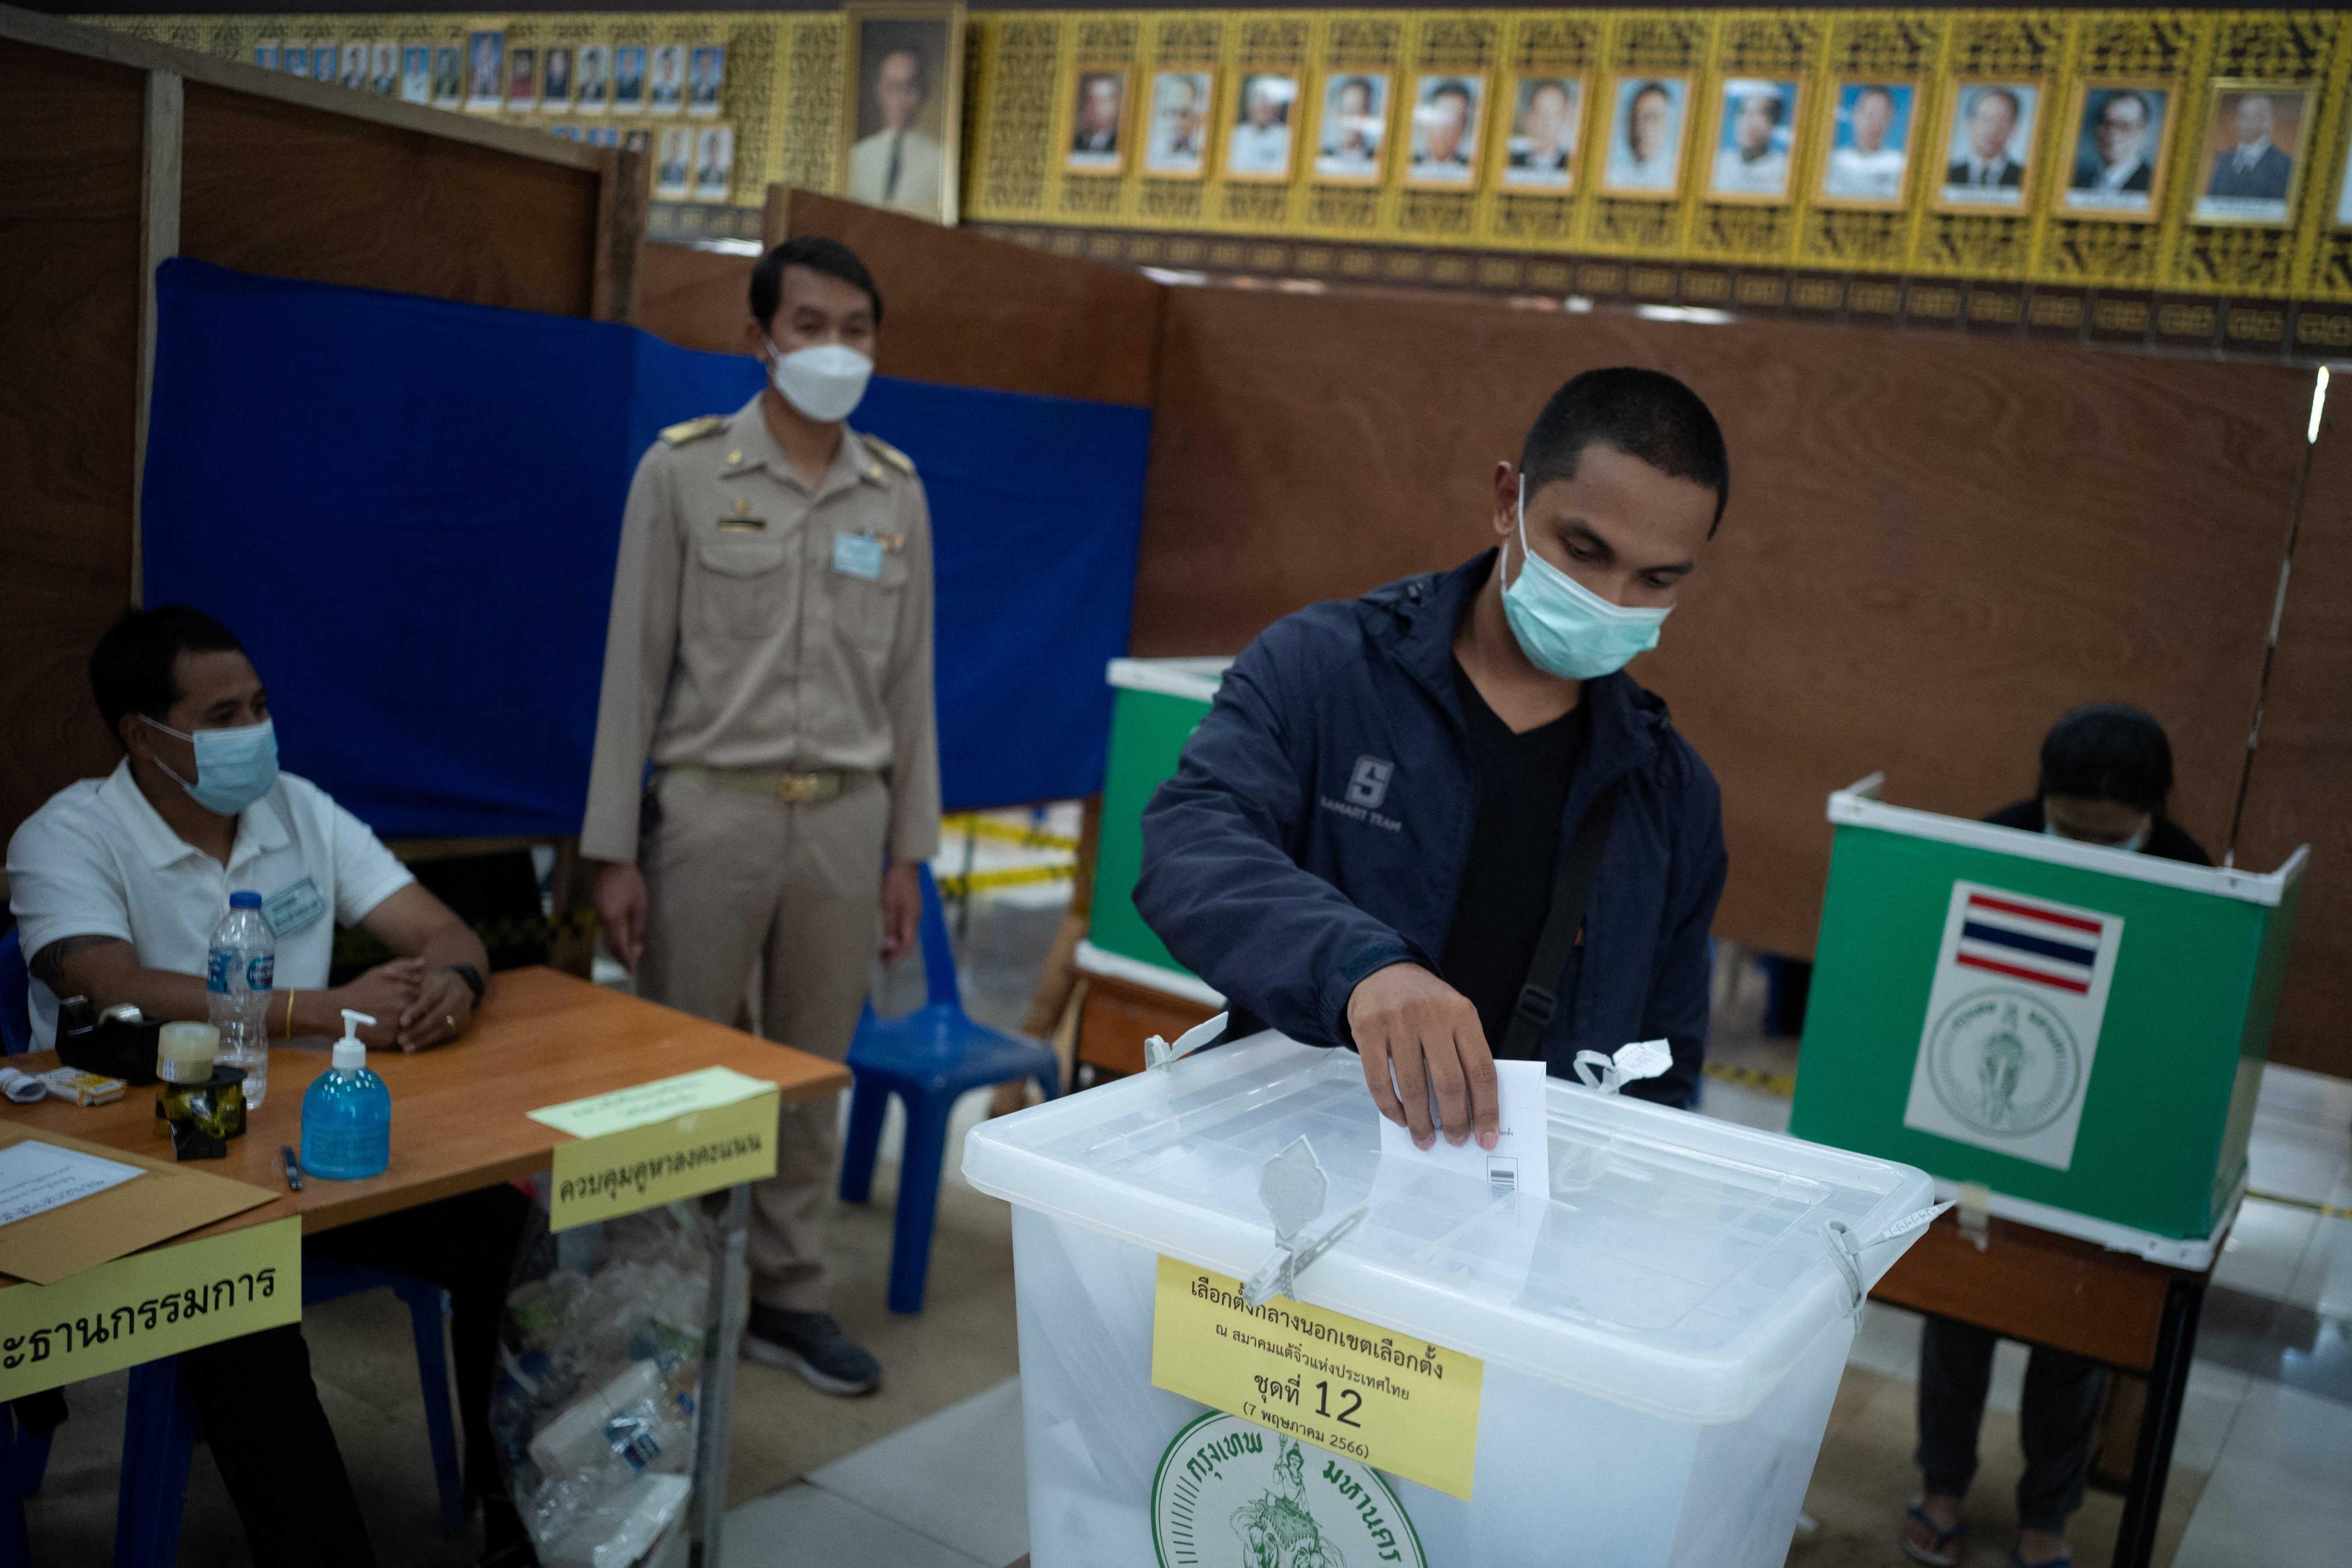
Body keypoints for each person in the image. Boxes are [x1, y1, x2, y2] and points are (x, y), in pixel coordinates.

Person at [5, 605, 532, 1567]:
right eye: (222, 715)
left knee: (502, 1230)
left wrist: (453, 988)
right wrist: (324, 1009)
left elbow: (445, 932)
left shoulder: (298, 808)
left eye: (259, 705)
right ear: (141, 734)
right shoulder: (67, 834)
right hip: (155, 1163)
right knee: (243, 1315)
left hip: (307, 1151)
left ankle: (519, 1517)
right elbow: (112, 983)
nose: (254, 731)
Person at [1135, 369, 1730, 1148]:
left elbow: (1662, 1075)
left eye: (1655, 580)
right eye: (1583, 551)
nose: (1611, 601)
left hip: (1519, 1228)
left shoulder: (1670, 797)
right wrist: (1361, 968)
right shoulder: (1326, 672)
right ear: (1505, 501)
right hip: (1290, 1180)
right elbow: (1188, 845)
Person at [584, 237, 938, 1397]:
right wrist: (610, 852)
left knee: (807, 1072)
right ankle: (654, 1288)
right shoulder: (683, 473)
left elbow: (914, 686)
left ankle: (788, 1295)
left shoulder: (896, 491)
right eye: (811, 325)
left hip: (847, 821)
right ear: (761, 339)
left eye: (857, 328)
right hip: (710, 816)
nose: (835, 349)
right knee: (674, 1068)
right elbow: (630, 672)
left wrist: (908, 856)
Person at [1901, 703, 2208, 1568]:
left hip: (2104, 1136)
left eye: (2107, 843)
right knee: (1961, 1309)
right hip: (1990, 1125)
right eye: (2067, 833)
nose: (2082, 856)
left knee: (2074, 1331)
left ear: (2154, 814)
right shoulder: (1998, 841)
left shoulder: (2195, 878)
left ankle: (2049, 1516)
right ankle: (1941, 1486)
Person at [847, 47, 946, 214]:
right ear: (878, 90)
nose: (899, 99)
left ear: (924, 91)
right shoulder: (857, 156)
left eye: (909, 87)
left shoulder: (941, 160)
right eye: (892, 87)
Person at [2205, 93, 2291, 202]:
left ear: (2267, 121)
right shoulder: (2224, 161)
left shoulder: (2284, 164)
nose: (2245, 124)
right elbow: (2211, 203)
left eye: (2253, 117)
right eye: (2243, 116)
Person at [1826, 85, 1907, 199]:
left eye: (1881, 115)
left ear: (1890, 119)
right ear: (1855, 115)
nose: (1874, 122)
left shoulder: (1900, 164)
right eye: (1870, 114)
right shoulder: (1834, 162)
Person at [2071, 91, 2155, 194]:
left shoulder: (2153, 183)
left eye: (2124, 126)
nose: (2112, 133)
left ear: (2142, 132)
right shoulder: (2076, 180)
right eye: (2106, 123)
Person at [1711, 85, 1790, 196]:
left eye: (1760, 113)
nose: (1749, 121)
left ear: (1775, 121)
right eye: (1743, 112)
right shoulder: (1717, 163)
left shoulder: (1786, 169)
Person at [1947, 87, 2025, 190]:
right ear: (1970, 123)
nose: (1992, 129)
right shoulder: (1946, 174)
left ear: (2013, 127)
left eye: (2002, 120)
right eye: (1986, 119)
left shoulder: (2025, 177)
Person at [1607, 80, 1678, 190]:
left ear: (1669, 124)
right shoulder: (1612, 178)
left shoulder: (1677, 178)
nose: (1641, 127)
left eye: (1653, 117)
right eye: (1636, 118)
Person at [1507, 79, 1576, 179]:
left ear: (1564, 118)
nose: (1545, 124)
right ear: (1529, 117)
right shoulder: (1510, 160)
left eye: (1552, 116)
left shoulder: (1572, 164)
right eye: (1539, 114)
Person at [1229, 75, 1295, 175]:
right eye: (1260, 99)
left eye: (1270, 101)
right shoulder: (1234, 135)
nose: (1264, 106)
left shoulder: (1289, 137)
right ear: (1250, 103)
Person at [1319, 76, 1382, 173]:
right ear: (1336, 116)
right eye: (1351, 111)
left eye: (1364, 111)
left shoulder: (1379, 161)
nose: (1357, 120)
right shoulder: (1321, 160)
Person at [1413, 80, 1476, 175]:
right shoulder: (1409, 165)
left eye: (1459, 120)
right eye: (1445, 119)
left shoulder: (1471, 171)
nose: (1451, 129)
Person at [1072, 73, 1123, 156]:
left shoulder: (1122, 143)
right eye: (1090, 100)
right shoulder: (1074, 141)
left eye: (1103, 101)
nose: (1096, 107)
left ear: (1116, 105)